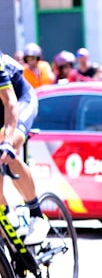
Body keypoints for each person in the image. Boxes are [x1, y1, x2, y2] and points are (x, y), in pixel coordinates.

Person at [0, 52, 50, 245]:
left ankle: (37, 215)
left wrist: (7, 140)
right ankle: (6, 217)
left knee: (7, 147)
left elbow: (10, 103)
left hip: (19, 99)